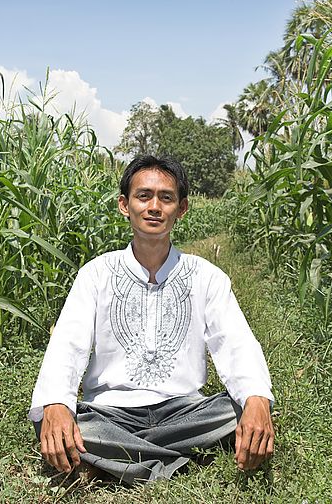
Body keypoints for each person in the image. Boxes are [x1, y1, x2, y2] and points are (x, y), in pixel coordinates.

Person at [29, 154, 275, 485]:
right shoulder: (97, 274)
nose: (154, 207)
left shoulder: (207, 277)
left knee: (239, 410)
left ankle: (108, 461)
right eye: (143, 196)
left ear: (182, 208)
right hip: (109, 413)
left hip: (185, 413)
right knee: (51, 414)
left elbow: (235, 343)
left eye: (166, 198)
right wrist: (57, 403)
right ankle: (175, 459)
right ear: (124, 204)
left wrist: (256, 400)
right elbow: (67, 344)